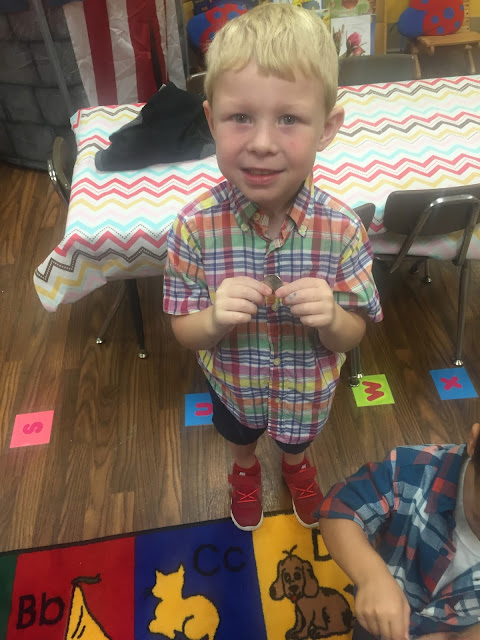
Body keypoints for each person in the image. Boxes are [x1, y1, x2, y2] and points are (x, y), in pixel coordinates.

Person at [163, 2, 382, 532]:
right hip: (232, 388)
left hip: (305, 398)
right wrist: (214, 318)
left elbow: (352, 334)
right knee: (239, 438)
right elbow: (184, 330)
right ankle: (244, 472)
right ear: (211, 120)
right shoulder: (193, 228)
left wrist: (332, 317)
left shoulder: (344, 230)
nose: (261, 143)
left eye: (289, 118)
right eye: (240, 117)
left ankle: (295, 465)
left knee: (296, 441)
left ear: (327, 128)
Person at [318, 423, 480, 640]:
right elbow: (340, 507)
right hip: (378, 615)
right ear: (474, 441)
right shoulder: (411, 469)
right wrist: (371, 576)